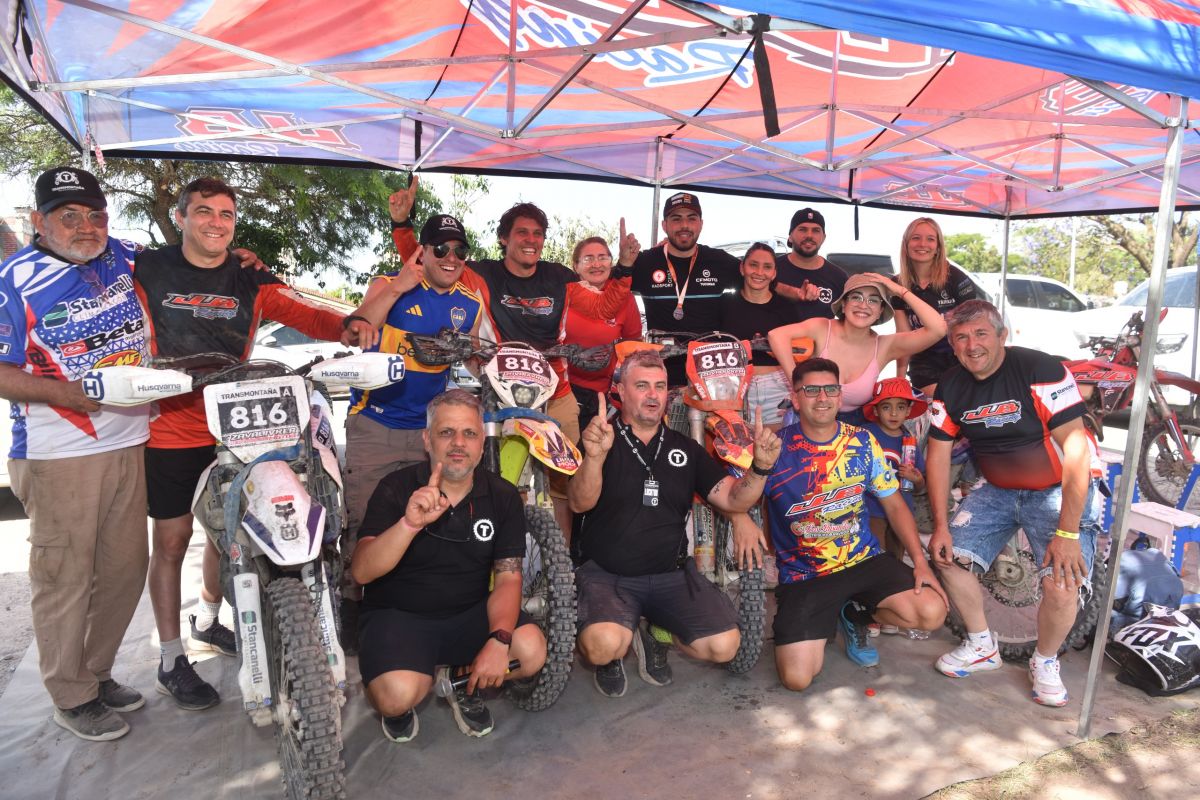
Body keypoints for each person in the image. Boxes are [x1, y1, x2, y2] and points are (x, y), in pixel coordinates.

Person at [135, 177, 376, 710]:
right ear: (181, 217)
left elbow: (302, 312)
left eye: (225, 214)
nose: (215, 223)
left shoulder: (247, 274)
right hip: (173, 428)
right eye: (203, 212)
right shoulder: (147, 266)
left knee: (235, 533)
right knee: (173, 543)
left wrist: (349, 326)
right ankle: (172, 656)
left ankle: (206, 616)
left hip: (240, 423)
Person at [0, 166, 150, 741]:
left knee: (122, 569)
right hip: (57, 450)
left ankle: (98, 671)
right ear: (39, 221)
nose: (87, 226)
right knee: (64, 575)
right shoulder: (14, 280)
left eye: (95, 214)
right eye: (70, 216)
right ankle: (70, 692)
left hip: (130, 440)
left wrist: (247, 264)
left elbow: (188, 261)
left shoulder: (123, 255)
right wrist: (66, 393)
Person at [391, 189, 631, 535]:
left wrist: (623, 268)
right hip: (501, 394)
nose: (530, 240)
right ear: (504, 238)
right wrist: (402, 224)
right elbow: (430, 264)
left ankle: (559, 570)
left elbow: (602, 308)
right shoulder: (482, 274)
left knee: (564, 483)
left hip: (556, 393)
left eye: (537, 234)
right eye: (522, 232)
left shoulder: (560, 277)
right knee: (497, 481)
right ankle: (499, 558)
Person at [567, 350, 781, 697]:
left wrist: (760, 468)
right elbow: (579, 502)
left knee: (725, 646)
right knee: (604, 645)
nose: (652, 395)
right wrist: (594, 459)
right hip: (608, 574)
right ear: (620, 390)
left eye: (660, 386)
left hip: (671, 574)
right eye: (641, 386)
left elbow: (732, 499)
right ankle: (613, 655)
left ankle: (654, 634)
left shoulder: (687, 449)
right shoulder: (601, 440)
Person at [926, 299, 1103, 707]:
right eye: (961, 338)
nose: (972, 345)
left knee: (1062, 581)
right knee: (945, 552)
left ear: (1002, 335)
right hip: (999, 489)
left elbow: (1076, 449)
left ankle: (1044, 660)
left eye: (981, 334)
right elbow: (937, 457)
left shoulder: (1039, 368)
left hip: (1058, 489)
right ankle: (982, 644)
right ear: (952, 345)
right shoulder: (951, 386)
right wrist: (939, 524)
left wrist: (1067, 532)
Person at [350, 390, 547, 742]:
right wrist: (408, 525)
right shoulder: (396, 488)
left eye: (469, 433)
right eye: (446, 433)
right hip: (400, 614)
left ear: (481, 440)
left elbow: (507, 577)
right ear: (427, 439)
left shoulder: (501, 496)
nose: (458, 443)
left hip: (468, 611)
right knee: (397, 695)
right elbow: (362, 572)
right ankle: (413, 685)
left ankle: (460, 679)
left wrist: (499, 641)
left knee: (530, 652)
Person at [342, 206, 483, 650]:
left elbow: (476, 359)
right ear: (422, 251)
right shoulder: (390, 286)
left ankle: (411, 603)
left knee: (427, 518)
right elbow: (356, 329)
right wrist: (400, 284)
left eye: (460, 250)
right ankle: (353, 603)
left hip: (431, 433)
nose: (451, 256)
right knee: (366, 520)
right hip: (376, 423)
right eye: (441, 248)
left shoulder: (470, 302)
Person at [762, 358, 947, 690]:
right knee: (797, 679)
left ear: (839, 395)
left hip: (862, 561)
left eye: (830, 389)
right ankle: (827, 616)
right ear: (796, 397)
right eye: (811, 390)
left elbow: (893, 503)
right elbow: (737, 496)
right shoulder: (775, 446)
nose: (822, 398)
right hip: (806, 575)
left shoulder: (861, 441)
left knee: (931, 611)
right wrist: (738, 519)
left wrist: (920, 562)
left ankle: (854, 614)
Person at [619, 193, 814, 386]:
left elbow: (758, 279)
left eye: (691, 219)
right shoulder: (646, 262)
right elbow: (609, 291)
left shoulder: (718, 260)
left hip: (710, 376)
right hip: (660, 374)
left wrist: (796, 293)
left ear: (701, 224)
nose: (684, 225)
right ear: (664, 225)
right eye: (676, 219)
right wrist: (623, 264)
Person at [767, 272, 946, 421]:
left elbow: (938, 329)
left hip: (854, 432)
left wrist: (899, 290)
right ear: (844, 305)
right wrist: (797, 386)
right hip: (808, 423)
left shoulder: (884, 346)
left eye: (873, 300)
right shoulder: (822, 328)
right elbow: (776, 335)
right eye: (856, 297)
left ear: (880, 312)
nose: (863, 305)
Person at [891, 217, 978, 395]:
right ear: (906, 244)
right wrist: (899, 380)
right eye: (915, 237)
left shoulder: (956, 278)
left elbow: (975, 326)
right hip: (923, 362)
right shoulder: (898, 284)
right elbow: (903, 337)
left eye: (930, 239)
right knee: (938, 402)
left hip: (960, 357)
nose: (922, 244)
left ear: (938, 247)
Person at [562, 236, 641, 431]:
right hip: (565, 392)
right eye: (588, 259)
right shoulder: (562, 294)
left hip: (607, 396)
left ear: (612, 262)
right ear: (576, 266)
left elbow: (633, 345)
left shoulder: (625, 298)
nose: (596, 264)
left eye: (603, 257)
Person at [719, 242, 800, 429]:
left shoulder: (787, 309)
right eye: (753, 265)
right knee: (737, 451)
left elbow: (797, 353)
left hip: (778, 388)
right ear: (742, 268)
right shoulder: (723, 304)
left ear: (774, 273)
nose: (759, 272)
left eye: (767, 267)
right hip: (733, 387)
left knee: (778, 448)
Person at [860, 377, 928, 560]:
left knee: (895, 558)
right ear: (875, 410)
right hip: (871, 510)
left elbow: (920, 486)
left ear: (908, 411)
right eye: (886, 407)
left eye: (900, 407)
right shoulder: (865, 434)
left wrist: (917, 480)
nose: (893, 413)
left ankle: (893, 588)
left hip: (903, 511)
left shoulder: (910, 441)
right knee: (873, 559)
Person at [774, 207, 848, 320]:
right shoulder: (772, 269)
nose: (809, 235)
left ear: (823, 238)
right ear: (790, 236)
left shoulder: (839, 277)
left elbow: (847, 322)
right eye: (802, 229)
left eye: (816, 230)